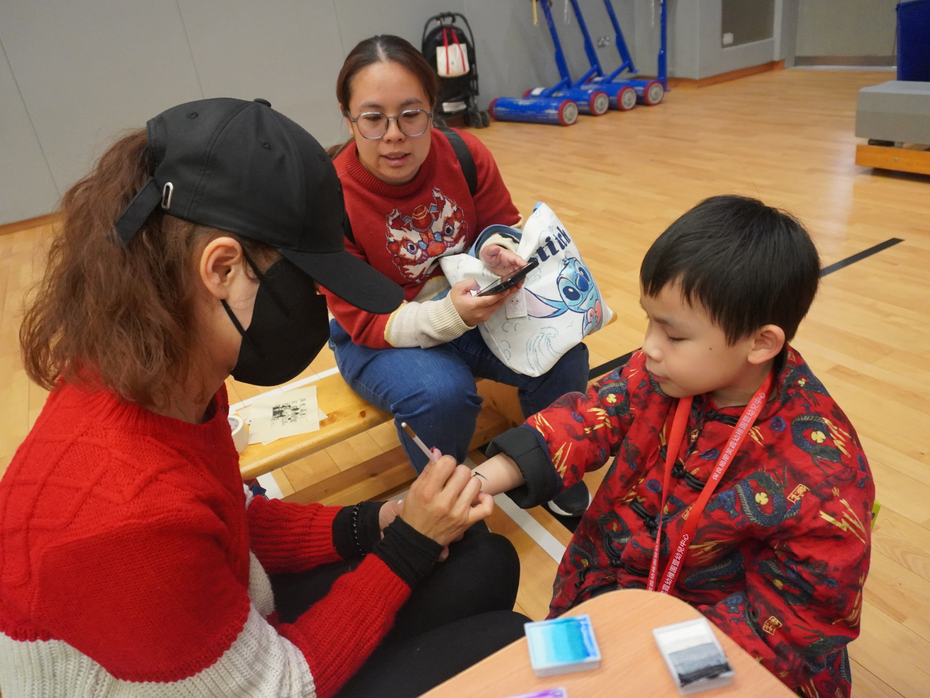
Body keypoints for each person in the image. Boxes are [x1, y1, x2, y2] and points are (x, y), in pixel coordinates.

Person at [0, 97, 528, 698]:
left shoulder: (162, 377)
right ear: (221, 269)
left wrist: (375, 523)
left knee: (480, 560)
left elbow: (233, 521)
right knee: (508, 639)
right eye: (307, 282)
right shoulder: (129, 521)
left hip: (221, 626)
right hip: (247, 681)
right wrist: (409, 545)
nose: (318, 302)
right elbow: (282, 687)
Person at [468, 196, 874, 698]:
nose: (649, 347)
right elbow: (590, 416)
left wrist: (658, 666)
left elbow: (799, 619)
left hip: (711, 652)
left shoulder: (823, 473)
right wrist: (484, 479)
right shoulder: (662, 373)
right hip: (610, 590)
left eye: (674, 335)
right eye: (650, 321)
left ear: (761, 343)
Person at [324, 34, 592, 517]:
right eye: (373, 118)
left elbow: (501, 223)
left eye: (411, 114)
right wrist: (450, 315)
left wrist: (496, 248)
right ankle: (443, 508)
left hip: (469, 312)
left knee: (564, 349)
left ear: (432, 110)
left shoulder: (464, 153)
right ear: (348, 118)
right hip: (378, 334)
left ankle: (551, 462)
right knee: (442, 394)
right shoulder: (330, 199)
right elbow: (365, 321)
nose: (394, 134)